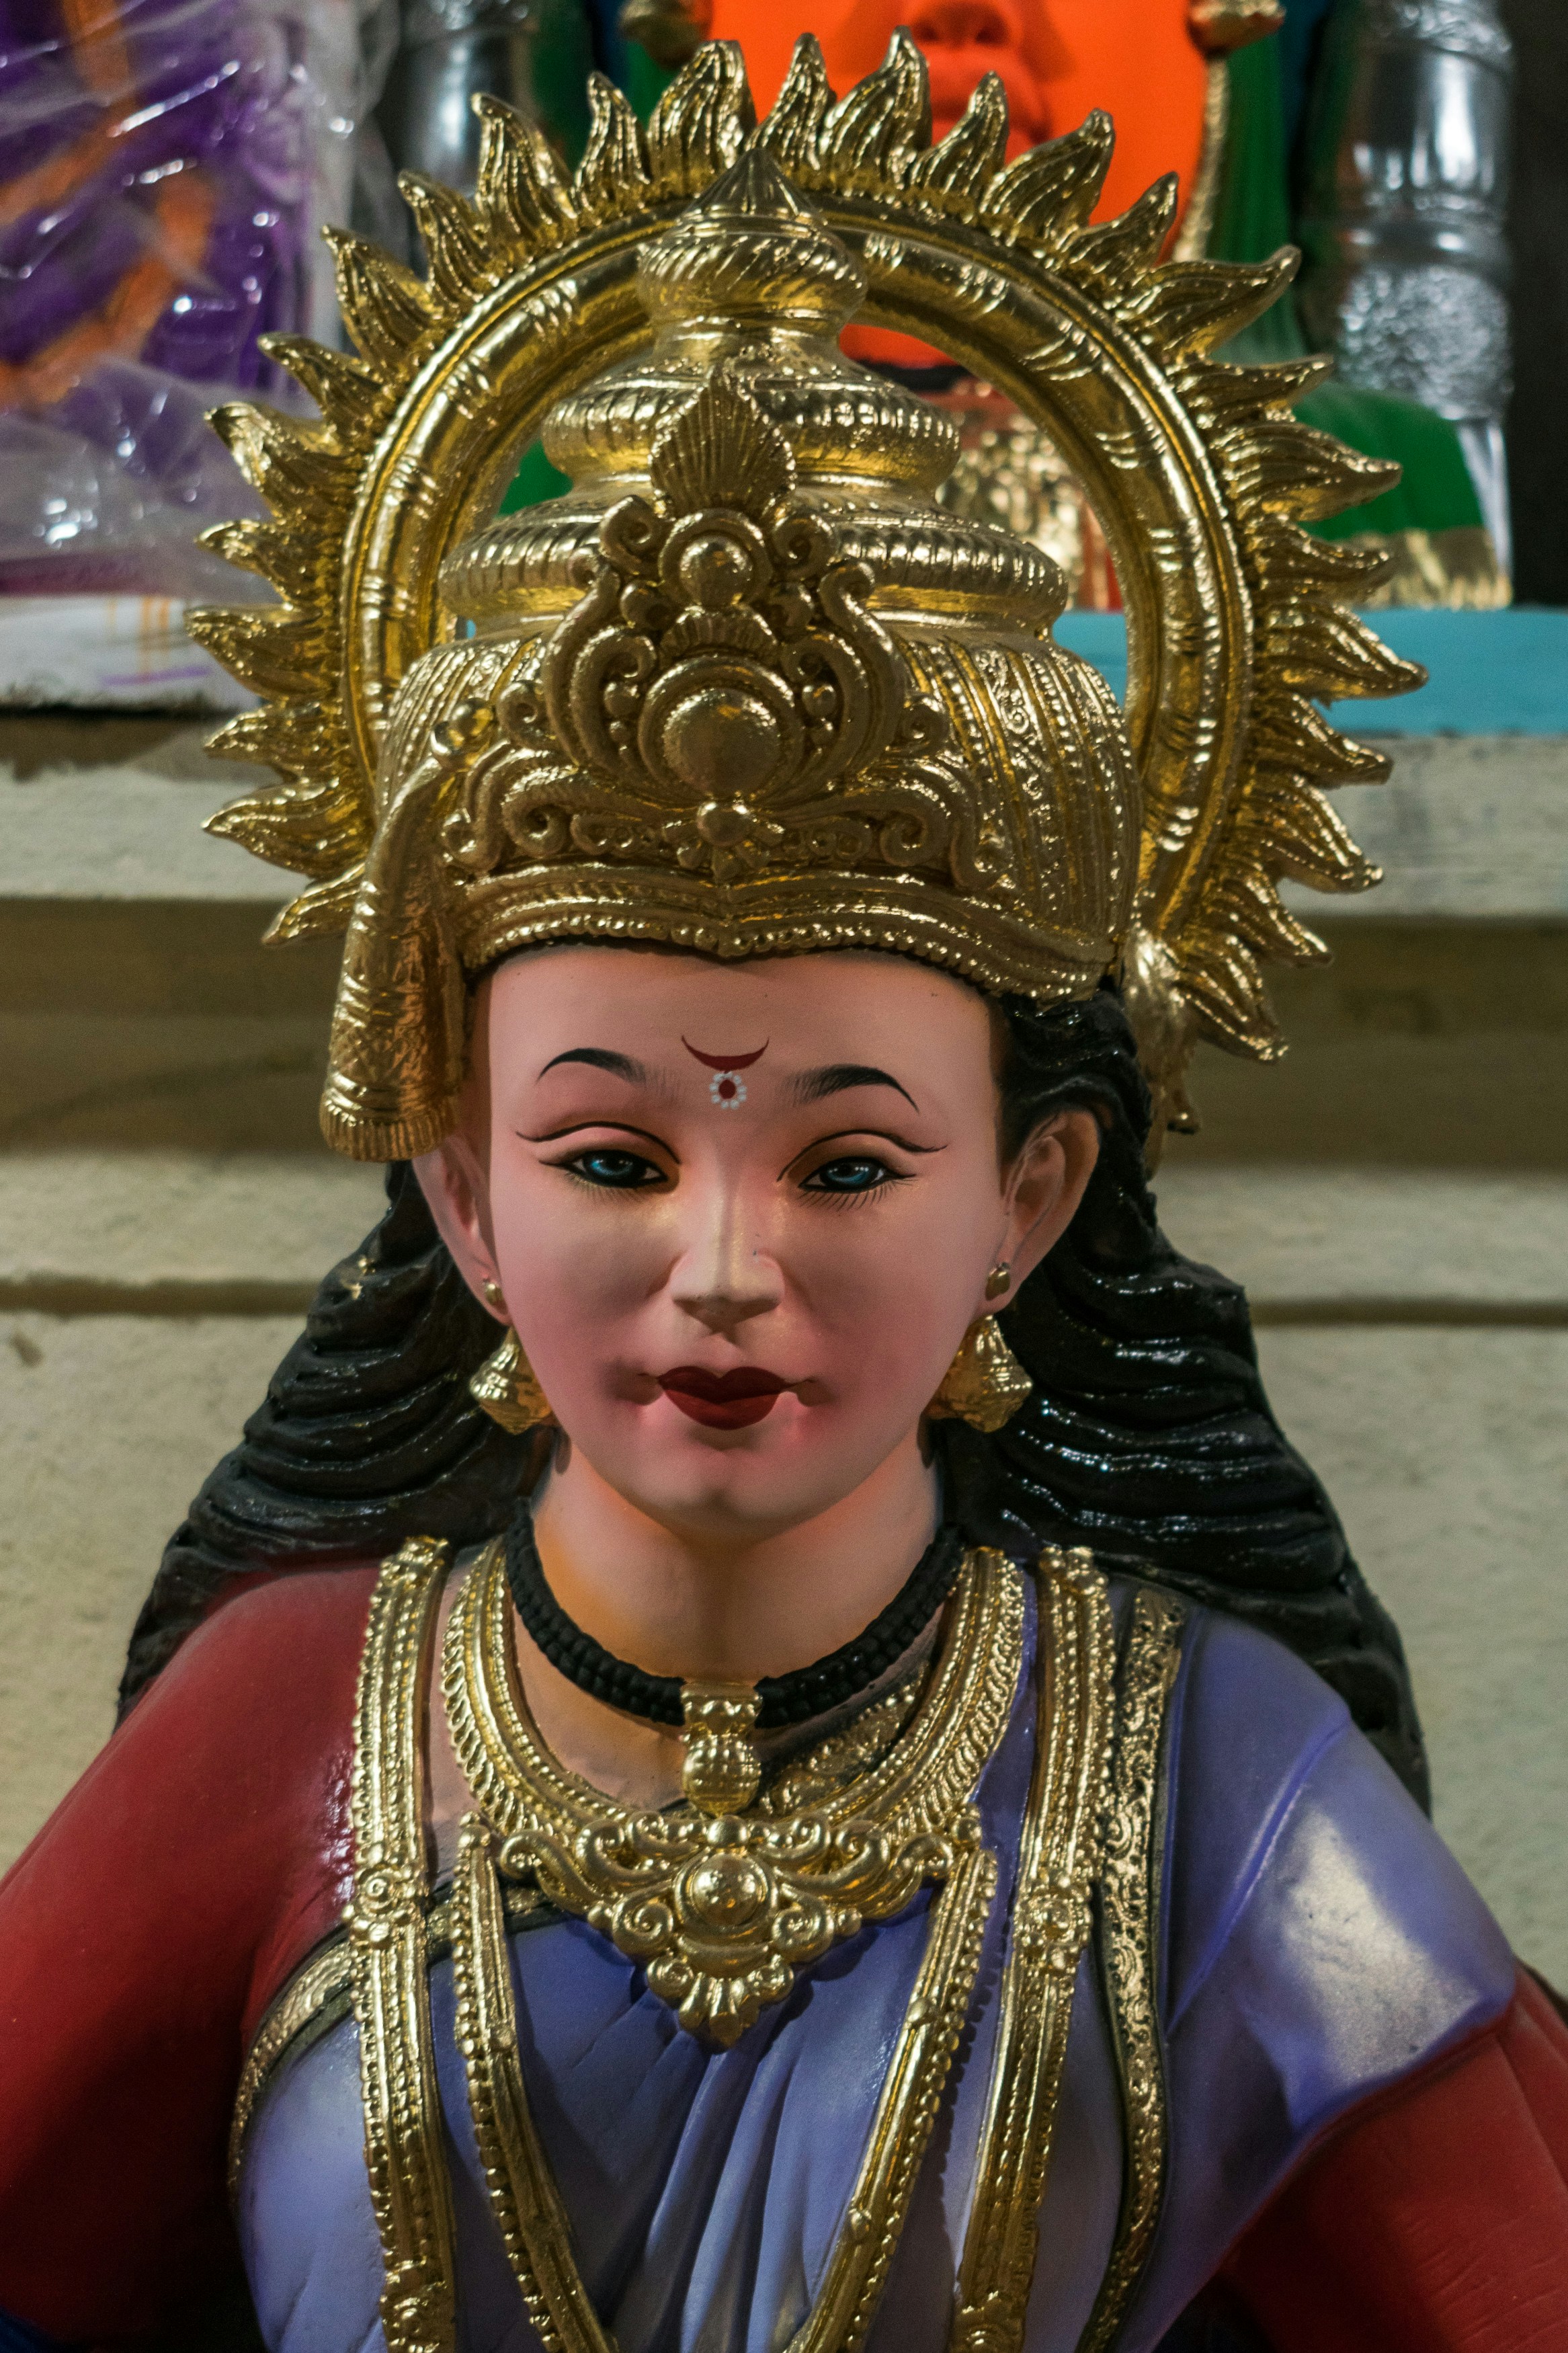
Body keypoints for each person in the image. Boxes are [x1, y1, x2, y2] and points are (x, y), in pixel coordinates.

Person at [1, 42, 1565, 2353]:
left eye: (846, 1159)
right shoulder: (294, 1735)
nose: (724, 1265)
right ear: (458, 1187)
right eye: (613, 1153)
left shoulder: (1214, 1799)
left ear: (1034, 1194)